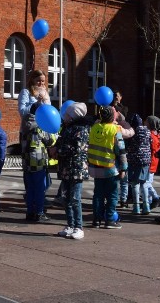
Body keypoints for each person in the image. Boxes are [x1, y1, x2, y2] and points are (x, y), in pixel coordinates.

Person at [54, 102, 92, 239]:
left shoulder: (81, 130)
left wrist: (58, 151)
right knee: (66, 198)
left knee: (75, 198)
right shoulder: (66, 128)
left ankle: (78, 226)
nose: (64, 117)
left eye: (67, 114)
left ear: (73, 116)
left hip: (77, 169)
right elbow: (61, 143)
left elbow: (76, 148)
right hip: (66, 168)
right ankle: (70, 225)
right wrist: (54, 148)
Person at [88, 106, 127, 229]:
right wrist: (123, 168)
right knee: (112, 195)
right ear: (112, 117)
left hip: (95, 167)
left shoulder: (94, 128)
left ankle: (96, 219)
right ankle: (109, 219)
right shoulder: (115, 130)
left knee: (98, 194)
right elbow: (121, 150)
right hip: (110, 168)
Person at [125, 113, 152, 215]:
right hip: (145, 160)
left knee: (134, 183)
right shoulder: (147, 131)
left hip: (134, 159)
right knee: (144, 183)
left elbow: (127, 145)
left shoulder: (132, 132)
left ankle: (136, 206)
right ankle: (146, 206)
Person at [144, 116, 160, 210]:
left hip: (150, 162)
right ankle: (149, 202)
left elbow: (152, 150)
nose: (144, 122)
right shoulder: (155, 135)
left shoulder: (151, 136)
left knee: (146, 183)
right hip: (152, 161)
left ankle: (155, 198)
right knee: (147, 182)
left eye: (146, 121)